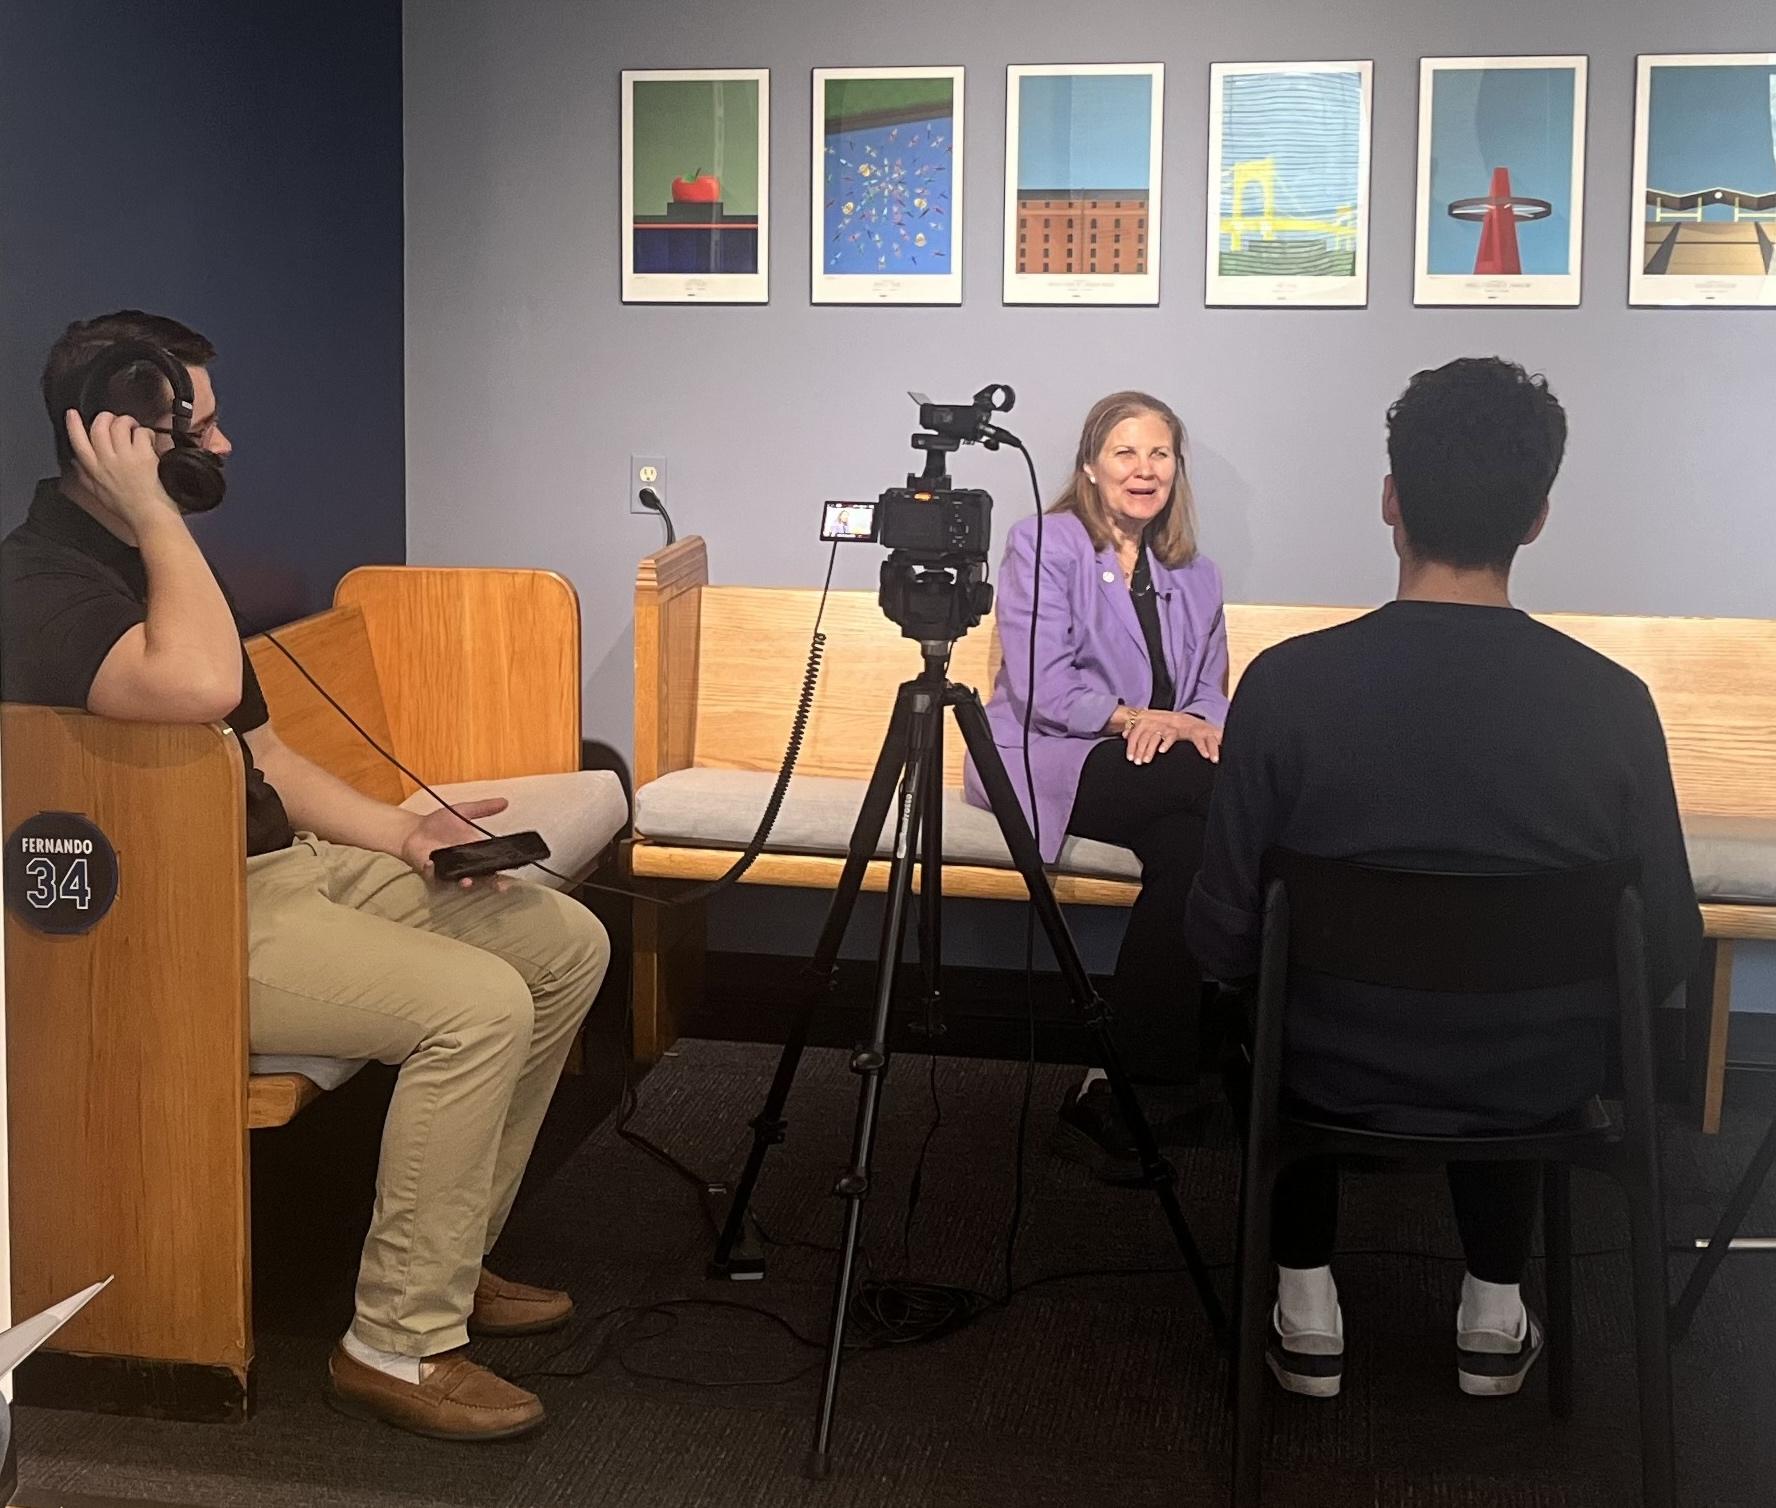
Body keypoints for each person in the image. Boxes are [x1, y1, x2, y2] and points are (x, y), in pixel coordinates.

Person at [0, 311, 613, 1442]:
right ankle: (395, 1343)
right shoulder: (40, 585)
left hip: (286, 870)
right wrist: (152, 511)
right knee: (476, 1007)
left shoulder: (154, 561)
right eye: (203, 428)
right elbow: (189, 686)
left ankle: (446, 1255)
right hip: (178, 920)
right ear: (128, 438)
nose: (223, 450)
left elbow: (266, 755)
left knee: (565, 943)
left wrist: (403, 833)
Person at [1186, 357, 1702, 1401]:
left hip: (1325, 1068)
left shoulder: (1286, 687)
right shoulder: (1615, 704)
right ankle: (1495, 1301)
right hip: (1538, 1080)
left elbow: (1222, 939)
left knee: (1254, 1010)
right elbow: (1668, 949)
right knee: (1511, 1011)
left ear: (1390, 500)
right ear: (1539, 515)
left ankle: (1307, 1297)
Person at [964, 390, 1229, 1184]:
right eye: (1125, 452)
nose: (1143, 469)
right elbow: (1044, 684)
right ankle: (1265, 1032)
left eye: (1159, 454)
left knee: (1192, 845)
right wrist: (1135, 719)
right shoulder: (1044, 544)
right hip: (1050, 755)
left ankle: (1116, 1084)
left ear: (1176, 470)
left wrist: (1186, 723)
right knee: (1215, 791)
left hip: (1154, 763)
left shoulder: (1196, 572)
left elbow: (1211, 690)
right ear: (1089, 466)